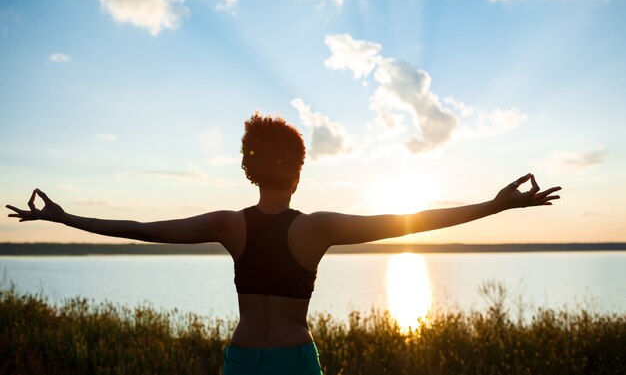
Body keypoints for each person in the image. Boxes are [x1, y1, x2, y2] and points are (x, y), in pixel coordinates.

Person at [6, 113, 561, 375]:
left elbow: (143, 231)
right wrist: (494, 205)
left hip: (243, 360)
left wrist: (64, 218)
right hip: (296, 363)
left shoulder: (229, 224)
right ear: (296, 173)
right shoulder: (314, 227)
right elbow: (407, 222)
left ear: (251, 170)